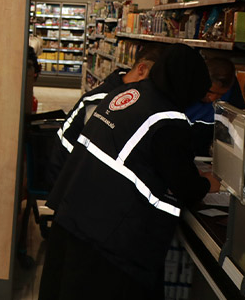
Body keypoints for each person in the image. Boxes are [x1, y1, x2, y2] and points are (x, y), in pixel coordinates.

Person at [39, 44, 220, 300]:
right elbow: (185, 185)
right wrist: (208, 183)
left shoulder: (126, 92)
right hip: (111, 239)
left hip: (73, 214)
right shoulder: (168, 119)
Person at [48, 44, 163, 184]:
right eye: (159, 79)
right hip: (69, 176)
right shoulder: (102, 100)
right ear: (142, 70)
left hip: (81, 170)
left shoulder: (122, 90)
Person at [186, 57, 243, 156]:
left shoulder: (232, 91)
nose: (212, 98)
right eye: (209, 92)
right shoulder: (182, 91)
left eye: (220, 95)